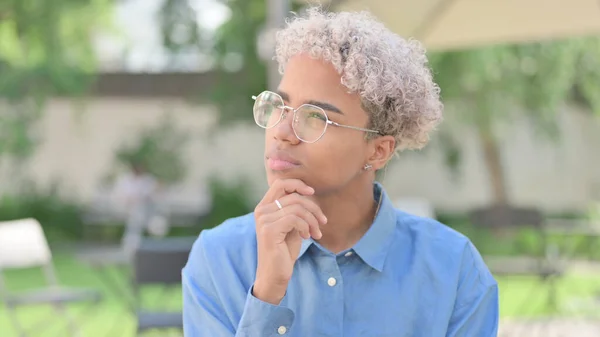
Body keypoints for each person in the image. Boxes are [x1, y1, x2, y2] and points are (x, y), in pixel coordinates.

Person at [182, 7, 498, 337]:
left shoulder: (454, 270)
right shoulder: (218, 260)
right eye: (280, 105)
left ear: (378, 151)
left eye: (315, 117)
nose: (282, 132)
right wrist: (266, 295)